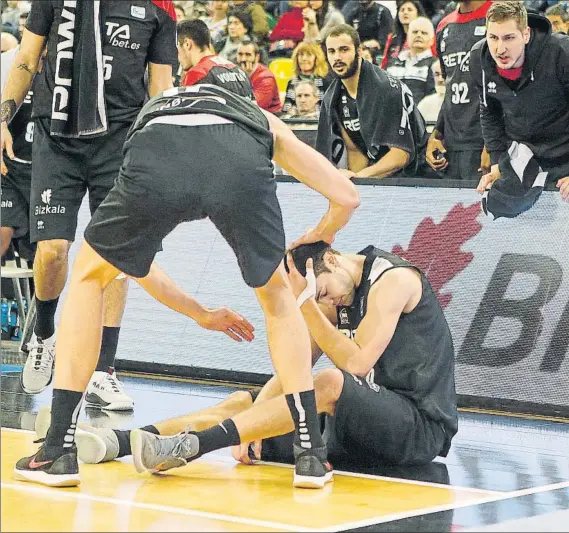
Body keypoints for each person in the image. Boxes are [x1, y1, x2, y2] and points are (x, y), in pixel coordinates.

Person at [13, 83, 360, 489]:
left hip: (157, 150)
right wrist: (320, 235)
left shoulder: (157, 109)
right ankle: (311, 456)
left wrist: (198, 313)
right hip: (238, 159)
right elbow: (347, 198)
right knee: (278, 297)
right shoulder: (257, 116)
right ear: (243, 96)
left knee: (91, 276)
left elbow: (137, 267)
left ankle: (57, 450)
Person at [43, 241, 457, 474]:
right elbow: (295, 368)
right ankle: (118, 442)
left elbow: (357, 365)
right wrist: (258, 418)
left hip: (419, 427)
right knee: (247, 402)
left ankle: (196, 445)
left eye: (325, 292)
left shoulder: (394, 280)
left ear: (332, 259)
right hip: (362, 426)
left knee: (331, 382)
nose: (329, 300)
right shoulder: (335, 292)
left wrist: (306, 304)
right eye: (321, 296)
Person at [0, 1, 177, 408]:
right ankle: (44, 333)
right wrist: (4, 119)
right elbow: (27, 58)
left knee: (113, 259)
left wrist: (158, 146)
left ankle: (103, 370)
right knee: (53, 251)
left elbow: (161, 87)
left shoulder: (159, 7)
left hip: (120, 141)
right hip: (56, 136)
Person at [470, 1, 569, 205]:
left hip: (565, 149)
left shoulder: (561, 53)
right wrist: (497, 163)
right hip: (524, 152)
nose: (500, 48)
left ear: (526, 34)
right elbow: (489, 111)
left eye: (509, 38)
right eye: (493, 38)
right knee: (499, 206)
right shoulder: (478, 59)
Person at [317, 24, 428, 180]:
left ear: (359, 52)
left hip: (420, 173)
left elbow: (401, 154)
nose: (337, 57)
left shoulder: (386, 89)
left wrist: (360, 176)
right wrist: (357, 182)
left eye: (344, 50)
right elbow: (356, 151)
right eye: (332, 51)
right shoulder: (333, 97)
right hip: (381, 174)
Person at [426, 1, 492, 181]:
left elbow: (512, 86)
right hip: (452, 144)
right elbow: (450, 82)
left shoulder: (500, 17)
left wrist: (496, 143)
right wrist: (437, 133)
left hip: (485, 140)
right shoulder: (443, 25)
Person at [0, 43, 34, 259]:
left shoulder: (70, 63)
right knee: (3, 231)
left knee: (51, 252)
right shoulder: (8, 63)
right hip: (10, 168)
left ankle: (41, 293)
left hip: (52, 171)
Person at [178, 19, 253, 98]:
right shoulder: (239, 71)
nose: (177, 55)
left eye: (177, 47)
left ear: (187, 44)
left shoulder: (197, 74)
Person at [386, 17, 436, 104]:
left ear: (432, 40)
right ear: (408, 36)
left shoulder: (435, 65)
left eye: (424, 33)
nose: (419, 35)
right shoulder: (392, 63)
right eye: (415, 32)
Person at [281, 41, 330, 115]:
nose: (304, 58)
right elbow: (286, 110)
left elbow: (328, 110)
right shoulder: (292, 82)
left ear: (316, 59)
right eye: (301, 55)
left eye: (309, 55)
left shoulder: (325, 82)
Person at [236, 39, 281, 112]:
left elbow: (253, 106)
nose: (243, 59)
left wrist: (244, 78)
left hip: (268, 118)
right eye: (240, 54)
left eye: (248, 55)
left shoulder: (266, 78)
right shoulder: (233, 72)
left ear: (257, 57)